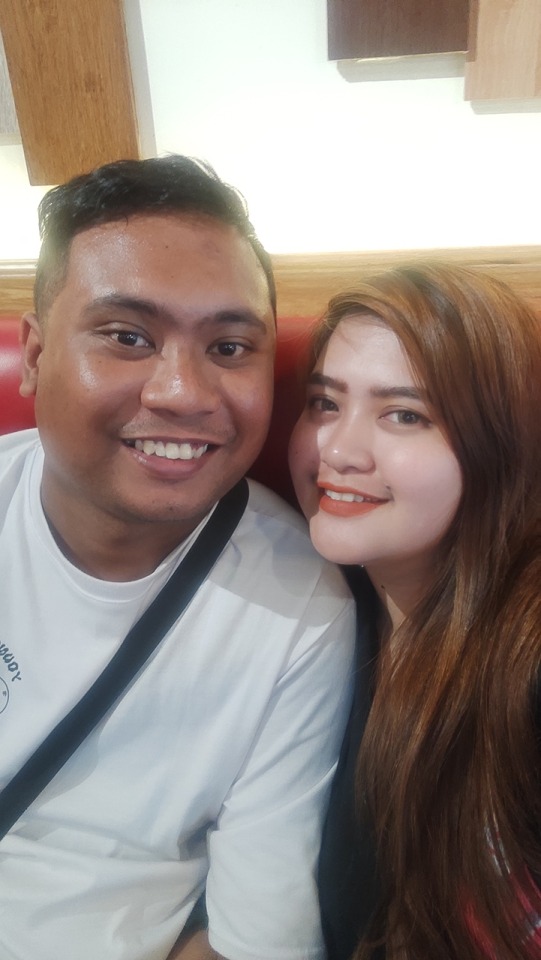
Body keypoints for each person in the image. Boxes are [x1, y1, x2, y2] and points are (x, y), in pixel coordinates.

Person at [0, 155, 356, 960]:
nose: (183, 393)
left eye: (229, 347)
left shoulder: (303, 612)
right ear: (37, 356)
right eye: (127, 337)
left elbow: (254, 938)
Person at [288, 262, 541, 960]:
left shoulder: (523, 660)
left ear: (498, 444)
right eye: (324, 402)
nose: (338, 450)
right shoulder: (313, 619)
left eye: (405, 415)